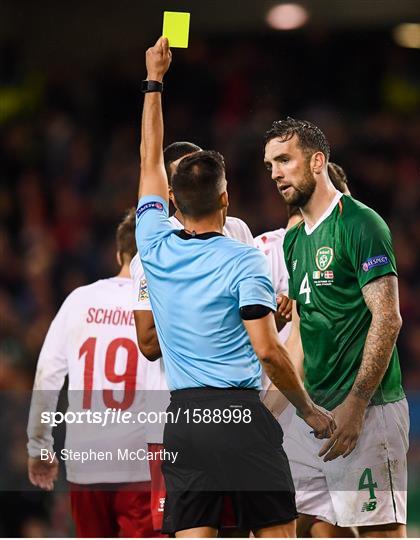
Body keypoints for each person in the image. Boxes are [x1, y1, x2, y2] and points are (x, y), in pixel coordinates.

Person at [135, 37, 334, 538]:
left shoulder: (153, 244)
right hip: (241, 419)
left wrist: (154, 81)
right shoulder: (244, 259)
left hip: (184, 420)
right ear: (226, 197)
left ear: (172, 201)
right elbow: (268, 352)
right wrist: (308, 409)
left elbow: (148, 160)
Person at [263, 117, 408, 537]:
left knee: (380, 530)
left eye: (285, 160)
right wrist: (268, 411)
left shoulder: (360, 224)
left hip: (371, 410)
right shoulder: (294, 241)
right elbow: (303, 336)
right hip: (318, 417)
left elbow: (388, 316)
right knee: (292, 523)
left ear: (317, 162)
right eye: (270, 164)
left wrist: (357, 404)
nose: (275, 173)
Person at [130, 141, 255, 535]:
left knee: (239, 528)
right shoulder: (151, 252)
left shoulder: (237, 231)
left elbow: (251, 308)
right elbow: (148, 343)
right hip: (184, 405)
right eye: (184, 174)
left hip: (238, 406)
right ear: (170, 191)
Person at [27, 210, 164, 538]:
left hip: (86, 462)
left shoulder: (79, 300)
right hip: (140, 464)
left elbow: (47, 375)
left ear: (119, 255)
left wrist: (39, 446)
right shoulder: (161, 307)